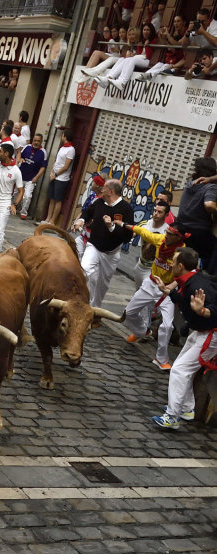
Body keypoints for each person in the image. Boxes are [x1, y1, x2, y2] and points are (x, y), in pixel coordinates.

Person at [149, 247, 217, 428]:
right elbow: (183, 299)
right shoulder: (190, 280)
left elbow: (214, 311)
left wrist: (202, 311)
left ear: (180, 266)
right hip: (201, 331)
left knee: (179, 370)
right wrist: (167, 291)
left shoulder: (197, 286)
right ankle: (186, 409)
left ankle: (172, 417)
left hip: (211, 334)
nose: (170, 263)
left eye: (173, 260)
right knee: (183, 368)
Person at [120, 215, 186, 369]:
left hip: (167, 290)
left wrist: (171, 287)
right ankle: (141, 331)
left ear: (178, 238)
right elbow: (143, 232)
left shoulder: (182, 253)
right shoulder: (160, 240)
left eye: (171, 234)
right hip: (151, 283)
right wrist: (123, 224)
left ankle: (161, 359)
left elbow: (190, 272)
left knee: (167, 326)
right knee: (128, 312)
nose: (167, 235)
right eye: (167, 232)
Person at [70, 178, 134, 307]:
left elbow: (127, 237)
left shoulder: (126, 209)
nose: (101, 189)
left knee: (102, 285)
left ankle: (95, 309)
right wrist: (81, 221)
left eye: (104, 188)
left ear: (110, 191)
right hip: (93, 246)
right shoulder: (99, 202)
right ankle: (76, 302)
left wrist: (111, 226)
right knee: (84, 270)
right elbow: (88, 212)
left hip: (111, 254)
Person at [177, 157, 217, 273]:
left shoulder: (191, 184)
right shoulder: (211, 187)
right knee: (205, 262)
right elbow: (209, 205)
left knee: (184, 260)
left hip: (182, 228)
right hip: (199, 232)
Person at [43, 130, 75, 225]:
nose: (61, 137)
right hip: (54, 176)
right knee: (51, 197)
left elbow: (66, 166)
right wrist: (52, 171)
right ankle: (48, 218)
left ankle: (53, 220)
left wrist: (56, 174)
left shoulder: (71, 149)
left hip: (62, 178)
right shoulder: (62, 148)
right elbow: (56, 161)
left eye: (62, 136)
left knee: (58, 199)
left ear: (65, 137)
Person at [16, 133, 47, 220]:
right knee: (16, 193)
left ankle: (23, 212)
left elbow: (43, 167)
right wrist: (21, 159)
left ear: (41, 142)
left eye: (38, 141)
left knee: (27, 196)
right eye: (35, 140)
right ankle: (13, 208)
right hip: (21, 176)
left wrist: (36, 177)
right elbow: (19, 156)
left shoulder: (43, 152)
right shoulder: (27, 147)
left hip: (31, 179)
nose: (36, 142)